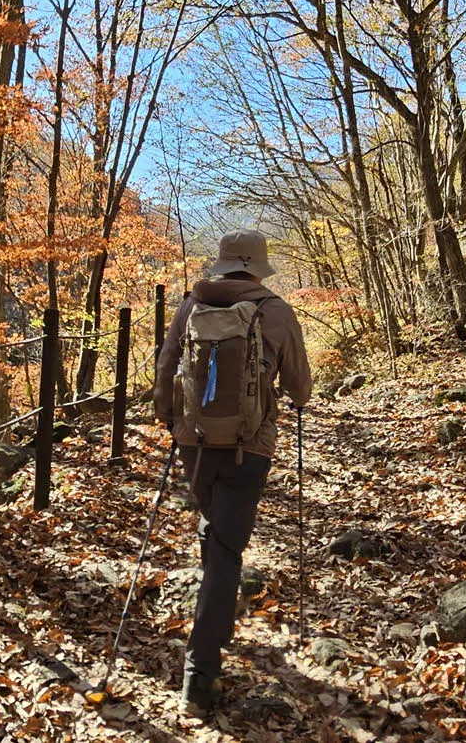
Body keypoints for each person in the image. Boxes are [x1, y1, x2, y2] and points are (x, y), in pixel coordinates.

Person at [153, 229, 312, 717]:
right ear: (259, 266)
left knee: (216, 540)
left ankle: (215, 630)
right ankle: (199, 672)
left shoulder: (190, 304)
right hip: (250, 448)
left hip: (194, 444)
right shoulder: (277, 311)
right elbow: (299, 385)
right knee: (224, 553)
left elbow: (165, 369)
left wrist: (168, 417)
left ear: (222, 264)